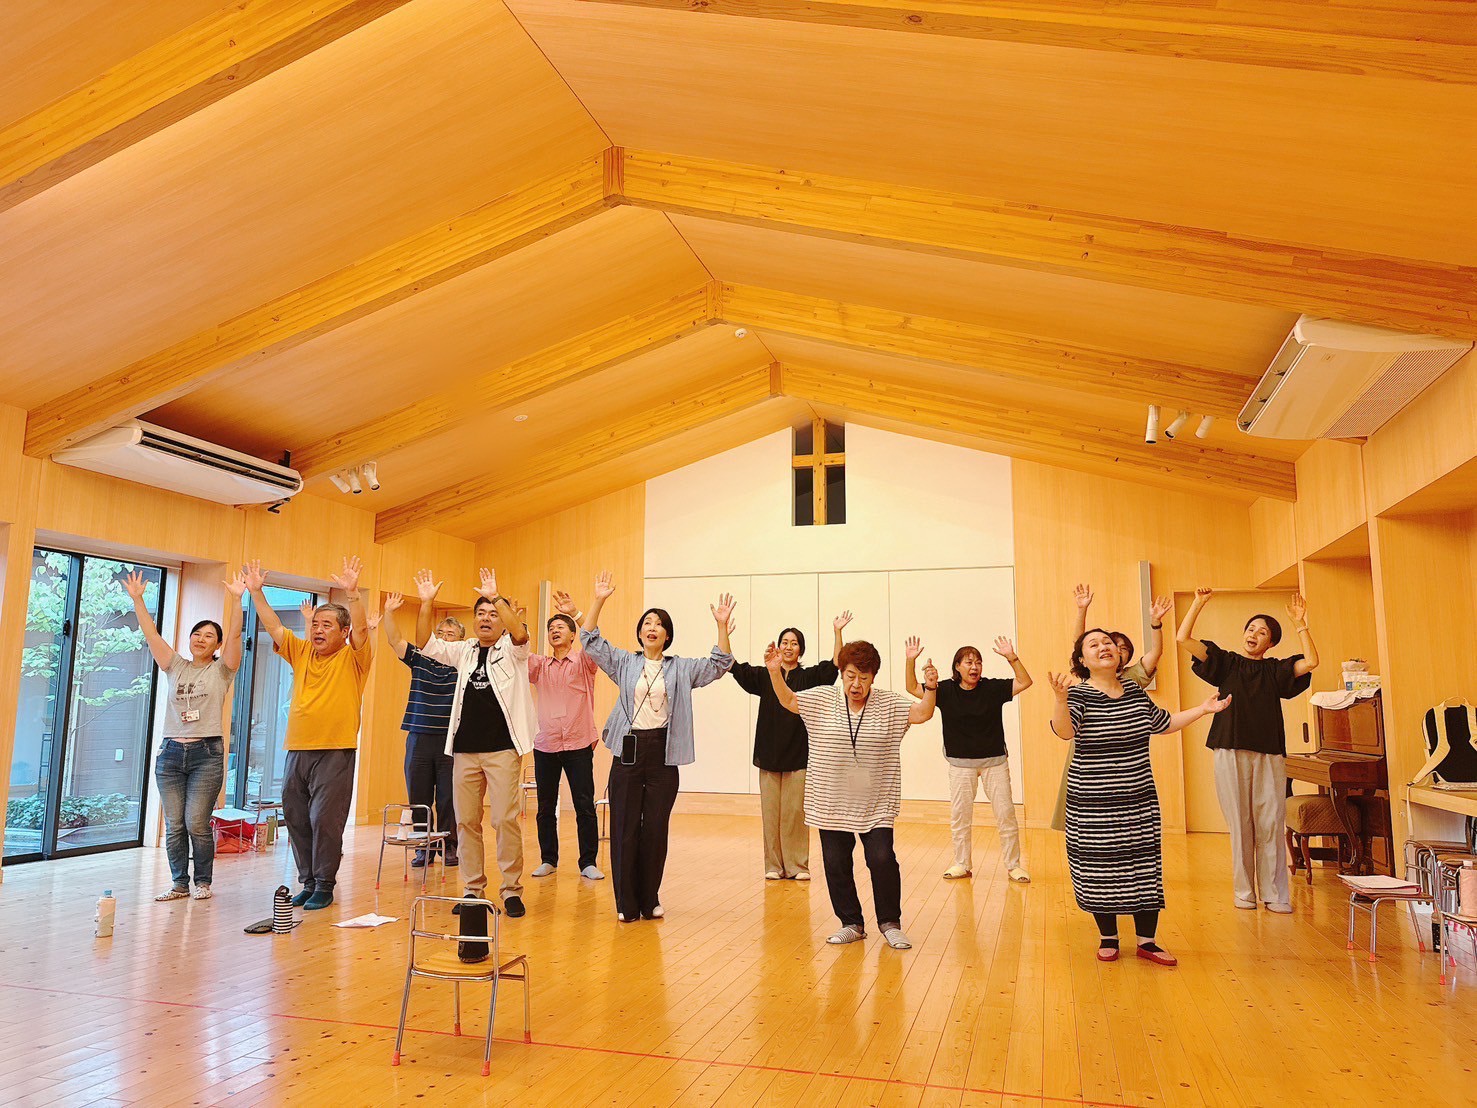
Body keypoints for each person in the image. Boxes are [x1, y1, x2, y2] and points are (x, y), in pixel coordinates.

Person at [1048, 628, 1230, 966]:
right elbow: (1064, 732)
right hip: (1092, 805)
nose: (1103, 647)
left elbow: (1163, 723)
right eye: (1093, 644)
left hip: (1138, 799)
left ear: (1119, 655)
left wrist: (1203, 709)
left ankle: (1148, 941)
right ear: (1082, 660)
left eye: (1107, 643)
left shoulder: (1133, 691)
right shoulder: (1078, 695)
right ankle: (1108, 937)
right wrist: (1060, 699)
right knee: (1099, 868)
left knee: (1143, 866)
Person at [580, 571, 734, 922]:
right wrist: (599, 600)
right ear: (640, 633)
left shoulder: (681, 668)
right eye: (647, 623)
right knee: (624, 828)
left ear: (667, 636)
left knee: (655, 828)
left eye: (659, 624)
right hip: (629, 749)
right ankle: (626, 903)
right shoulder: (624, 662)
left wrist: (721, 625)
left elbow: (720, 664)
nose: (653, 627)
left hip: (663, 751)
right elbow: (589, 639)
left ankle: (650, 899)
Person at [767, 637, 937, 951]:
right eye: (850, 676)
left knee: (882, 859)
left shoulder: (888, 704)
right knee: (836, 863)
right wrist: (775, 672)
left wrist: (930, 687)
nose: (856, 684)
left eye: (863, 677)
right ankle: (851, 923)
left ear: (873, 677)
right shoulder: (823, 698)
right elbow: (789, 700)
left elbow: (923, 713)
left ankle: (890, 924)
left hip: (876, 801)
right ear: (842, 673)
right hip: (830, 800)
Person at [1177, 588, 1318, 913]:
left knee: (1271, 821)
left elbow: (1311, 661)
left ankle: (1275, 895)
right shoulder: (1226, 663)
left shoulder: (1276, 670)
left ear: (1271, 643)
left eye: (1262, 632)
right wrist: (1198, 603)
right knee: (1240, 823)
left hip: (1269, 751)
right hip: (1229, 747)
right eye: (1251, 629)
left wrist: (1300, 624)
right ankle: (1244, 892)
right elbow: (1183, 638)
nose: (1254, 634)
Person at [244, 556, 373, 910]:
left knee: (325, 819)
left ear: (343, 632)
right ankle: (309, 881)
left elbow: (363, 630)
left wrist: (353, 594)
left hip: (336, 749)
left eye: (327, 625)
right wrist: (256, 593)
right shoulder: (301, 652)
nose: (318, 629)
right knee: (297, 816)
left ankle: (325, 884)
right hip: (297, 748)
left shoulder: (354, 658)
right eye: (315, 623)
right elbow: (273, 626)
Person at [413, 569, 537, 918]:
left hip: (502, 749)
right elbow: (425, 644)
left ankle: (511, 890)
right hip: (464, 750)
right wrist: (426, 603)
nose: (485, 619)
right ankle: (473, 890)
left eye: (493, 614)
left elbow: (520, 632)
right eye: (480, 613)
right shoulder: (464, 650)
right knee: (466, 822)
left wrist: (497, 597)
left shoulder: (514, 650)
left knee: (504, 819)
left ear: (502, 620)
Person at [125, 569, 243, 902]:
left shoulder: (222, 670)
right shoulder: (175, 665)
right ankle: (179, 883)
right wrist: (138, 600)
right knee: (174, 823)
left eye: (209, 636)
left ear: (217, 645)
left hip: (207, 754)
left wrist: (237, 599)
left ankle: (203, 882)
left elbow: (236, 636)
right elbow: (151, 635)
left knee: (196, 822)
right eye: (197, 634)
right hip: (171, 754)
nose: (201, 639)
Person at [728, 612, 849, 881]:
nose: (788, 646)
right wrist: (723, 628)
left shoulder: (809, 677)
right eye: (785, 642)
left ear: (800, 650)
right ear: (778, 647)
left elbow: (836, 664)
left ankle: (797, 866)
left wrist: (837, 632)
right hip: (768, 754)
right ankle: (773, 865)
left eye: (794, 643)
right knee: (771, 814)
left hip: (799, 756)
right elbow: (733, 666)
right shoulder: (765, 675)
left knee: (795, 813)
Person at [906, 635, 1032, 883]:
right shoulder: (944, 690)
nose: (974, 667)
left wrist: (1012, 657)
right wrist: (910, 661)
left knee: (1006, 815)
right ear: (957, 667)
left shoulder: (992, 688)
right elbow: (912, 688)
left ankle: (1014, 866)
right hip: (960, 764)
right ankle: (962, 864)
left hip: (995, 762)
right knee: (960, 816)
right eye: (969, 662)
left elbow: (1024, 681)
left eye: (978, 662)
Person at [1051, 584, 1173, 831]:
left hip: (1127, 764)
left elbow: (1157, 652)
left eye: (1120, 647)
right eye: (1100, 645)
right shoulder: (1089, 681)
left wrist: (1156, 624)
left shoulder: (1134, 678)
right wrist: (1082, 610)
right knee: (1086, 810)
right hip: (1091, 754)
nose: (1108, 648)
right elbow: (1079, 644)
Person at [380, 568, 465, 868]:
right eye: (441, 634)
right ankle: (423, 847)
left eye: (451, 635)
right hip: (418, 736)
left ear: (460, 642)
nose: (444, 638)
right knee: (418, 796)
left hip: (450, 739)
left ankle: (449, 847)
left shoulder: (463, 664)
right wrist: (388, 613)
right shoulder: (420, 658)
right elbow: (394, 640)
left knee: (448, 798)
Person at [527, 589, 604, 881]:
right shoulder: (539, 665)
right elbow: (517, 652)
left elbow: (594, 639)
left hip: (578, 743)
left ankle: (588, 862)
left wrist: (575, 613)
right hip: (546, 744)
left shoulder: (584, 661)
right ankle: (548, 859)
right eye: (551, 628)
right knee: (545, 807)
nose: (554, 631)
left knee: (584, 805)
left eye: (560, 627)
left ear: (573, 635)